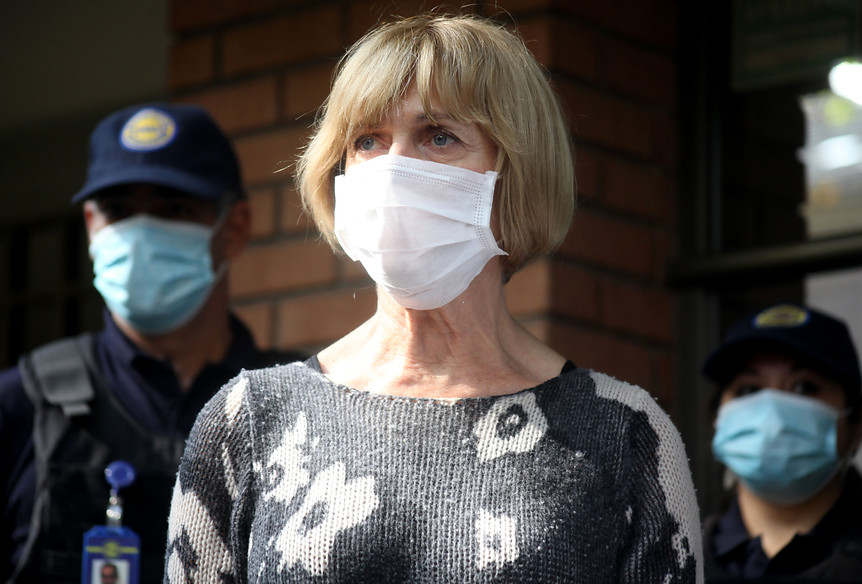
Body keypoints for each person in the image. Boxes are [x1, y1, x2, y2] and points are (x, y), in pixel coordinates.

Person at [163, 13, 702, 583]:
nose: (394, 168)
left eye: (439, 137)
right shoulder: (247, 419)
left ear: (517, 174)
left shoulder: (625, 434)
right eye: (367, 141)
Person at [0, 103, 301, 584]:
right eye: (118, 210)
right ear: (91, 226)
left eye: (173, 209)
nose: (139, 233)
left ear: (235, 228)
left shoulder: (301, 405)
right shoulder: (21, 405)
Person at [701, 303, 862, 582]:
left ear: (857, 424)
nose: (771, 414)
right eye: (748, 389)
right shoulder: (667, 561)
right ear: (717, 417)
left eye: (804, 386)